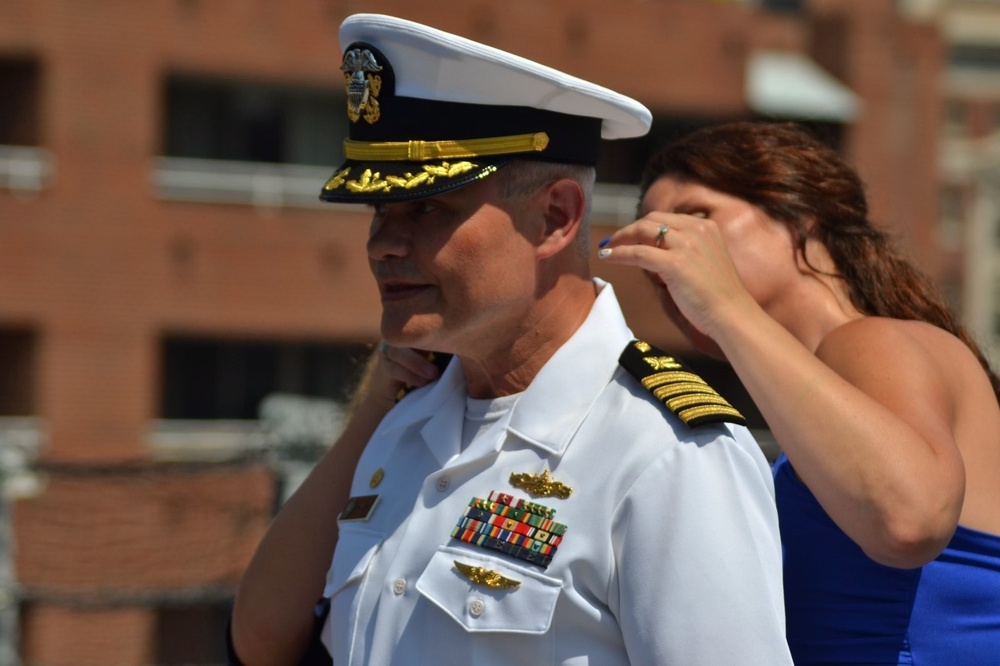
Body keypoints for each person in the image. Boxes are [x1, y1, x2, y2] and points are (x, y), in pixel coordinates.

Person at [230, 14, 794, 666]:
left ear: (554, 217)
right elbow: (264, 642)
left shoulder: (665, 453)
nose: (383, 243)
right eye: (379, 211)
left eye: (428, 208)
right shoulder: (405, 424)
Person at [597, 120, 1000, 665]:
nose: (668, 256)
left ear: (801, 217)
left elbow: (910, 521)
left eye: (696, 219)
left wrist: (725, 306)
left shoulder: (875, 341)